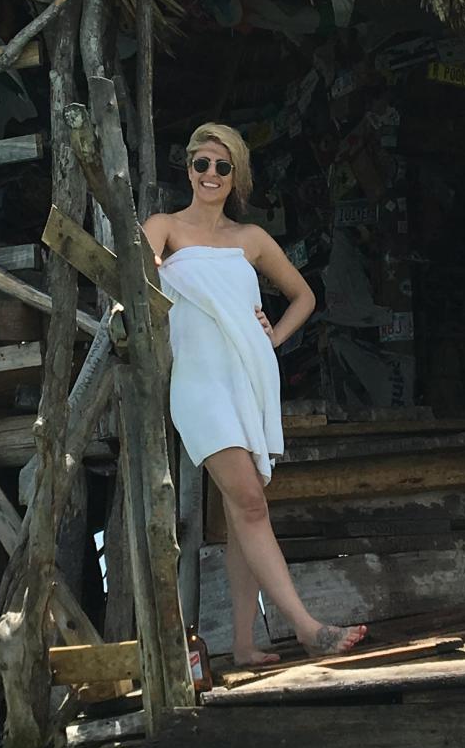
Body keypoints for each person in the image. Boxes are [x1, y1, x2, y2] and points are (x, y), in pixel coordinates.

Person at [142, 121, 365, 664]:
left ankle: (243, 645)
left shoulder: (251, 240)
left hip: (246, 377)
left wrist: (275, 337)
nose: (210, 174)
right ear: (189, 169)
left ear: (235, 174)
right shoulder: (163, 226)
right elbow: (136, 284)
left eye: (222, 166)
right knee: (249, 504)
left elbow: (303, 297)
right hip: (197, 384)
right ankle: (309, 629)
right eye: (201, 163)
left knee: (242, 507)